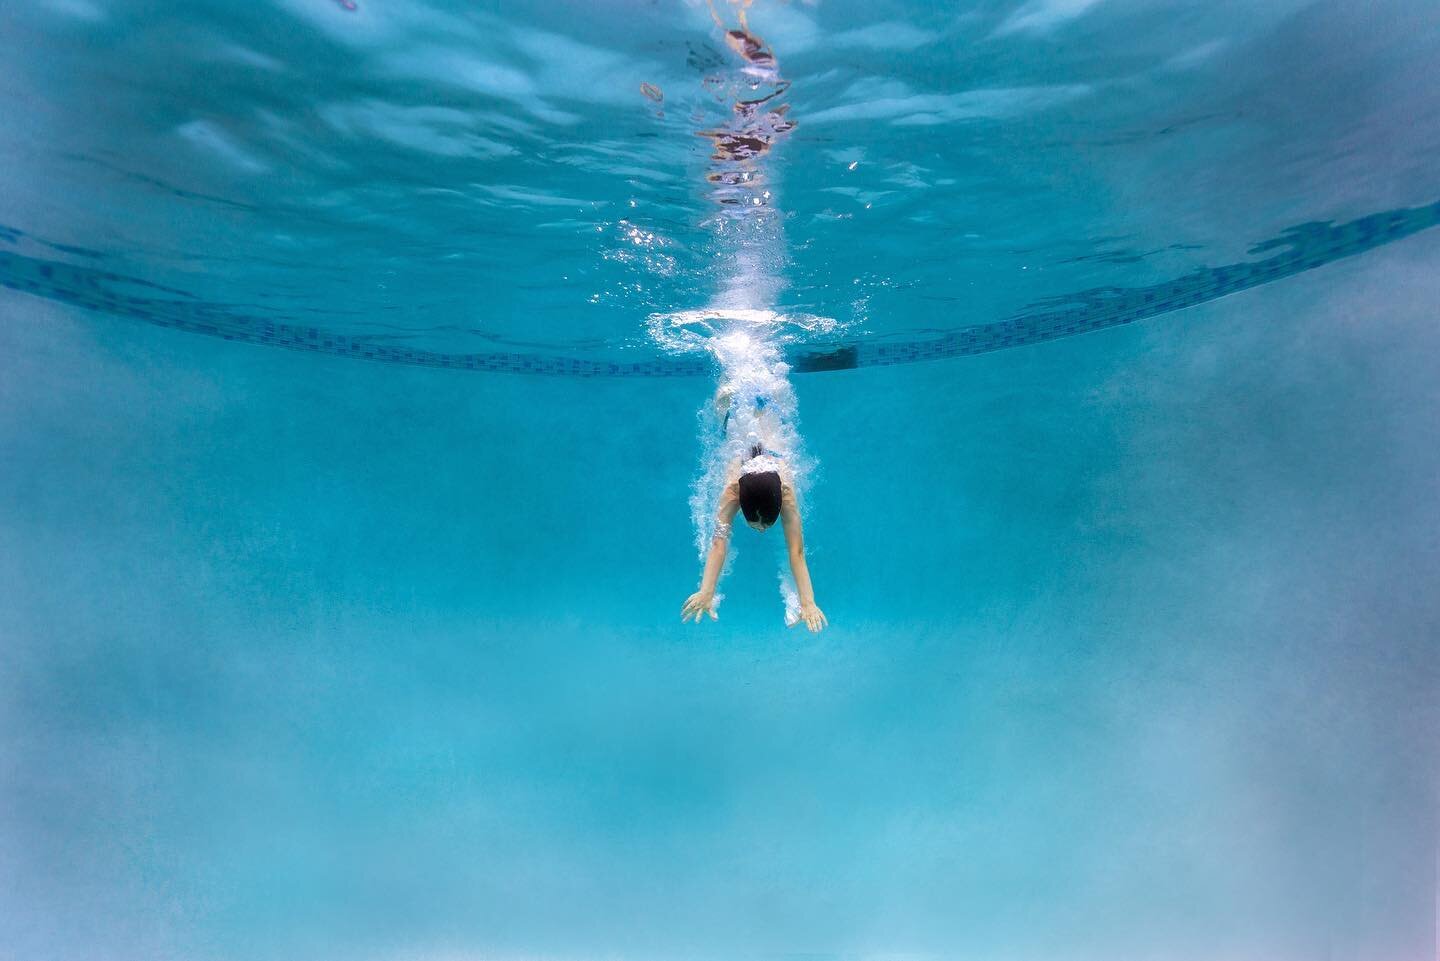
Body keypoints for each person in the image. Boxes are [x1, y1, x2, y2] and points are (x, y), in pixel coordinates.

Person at [681, 386, 828, 631]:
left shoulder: (786, 493)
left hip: (761, 414)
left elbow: (797, 552)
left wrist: (809, 603)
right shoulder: (732, 491)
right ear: (740, 501)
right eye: (759, 524)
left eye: (764, 524)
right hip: (747, 411)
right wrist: (706, 593)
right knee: (727, 397)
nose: (761, 530)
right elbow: (718, 544)